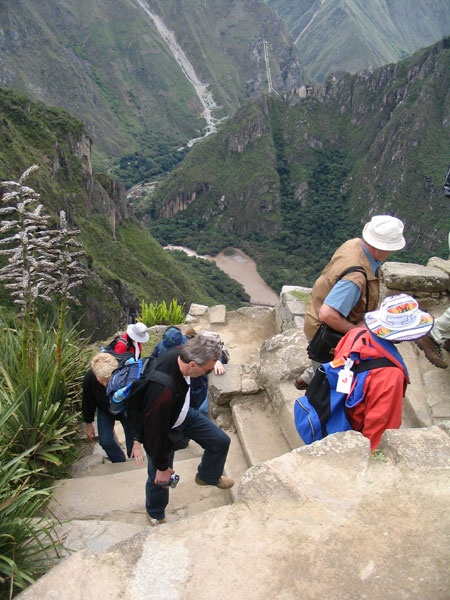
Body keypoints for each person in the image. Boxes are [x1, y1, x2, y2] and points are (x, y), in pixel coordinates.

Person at [132, 332, 234, 526]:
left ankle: (207, 476)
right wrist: (162, 467)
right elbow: (155, 434)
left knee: (220, 441)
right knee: (159, 478)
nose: (208, 373)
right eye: (207, 370)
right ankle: (155, 513)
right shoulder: (163, 393)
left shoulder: (182, 353)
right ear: (193, 365)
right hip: (162, 429)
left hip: (182, 413)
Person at [295, 214, 406, 390]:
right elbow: (327, 314)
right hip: (324, 332)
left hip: (316, 314)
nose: (391, 253)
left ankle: (307, 377)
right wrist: (357, 331)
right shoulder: (355, 279)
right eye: (390, 249)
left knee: (320, 362)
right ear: (380, 248)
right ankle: (316, 395)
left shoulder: (354, 244)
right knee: (330, 378)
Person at [333, 293, 433, 451]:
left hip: (338, 413)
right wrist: (375, 453)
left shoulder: (355, 334)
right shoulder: (390, 374)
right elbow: (381, 425)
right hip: (356, 431)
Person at [82, 352, 145, 465]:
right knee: (105, 441)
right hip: (105, 409)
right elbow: (88, 400)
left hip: (127, 411)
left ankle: (132, 464)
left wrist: (137, 440)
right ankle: (119, 462)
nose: (105, 385)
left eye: (108, 380)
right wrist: (89, 423)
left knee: (132, 443)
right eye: (101, 381)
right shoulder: (90, 378)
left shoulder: (128, 377)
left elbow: (138, 406)